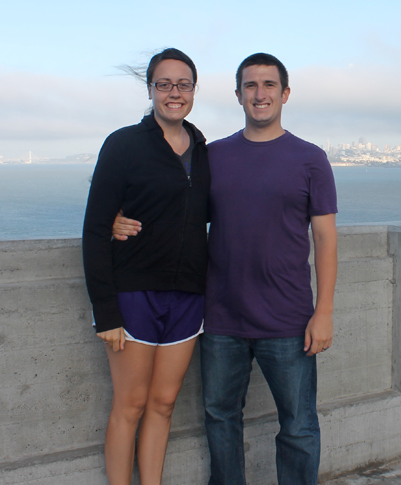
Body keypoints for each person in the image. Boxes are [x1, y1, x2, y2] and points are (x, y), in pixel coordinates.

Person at [113, 53, 338, 485]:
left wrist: (323, 311)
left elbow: (325, 239)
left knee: (299, 427)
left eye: (269, 85)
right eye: (250, 86)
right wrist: (111, 216)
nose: (260, 94)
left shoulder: (311, 159)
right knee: (220, 419)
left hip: (288, 319)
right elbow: (167, 203)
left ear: (285, 94)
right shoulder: (211, 155)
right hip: (220, 319)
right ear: (237, 95)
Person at [83, 48, 210, 485]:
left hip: (188, 298)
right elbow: (95, 229)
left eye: (183, 84)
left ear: (194, 89)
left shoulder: (202, 148)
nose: (174, 93)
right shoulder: (123, 143)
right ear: (151, 89)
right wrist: (106, 312)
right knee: (130, 405)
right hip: (133, 294)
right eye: (165, 84)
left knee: (163, 404)